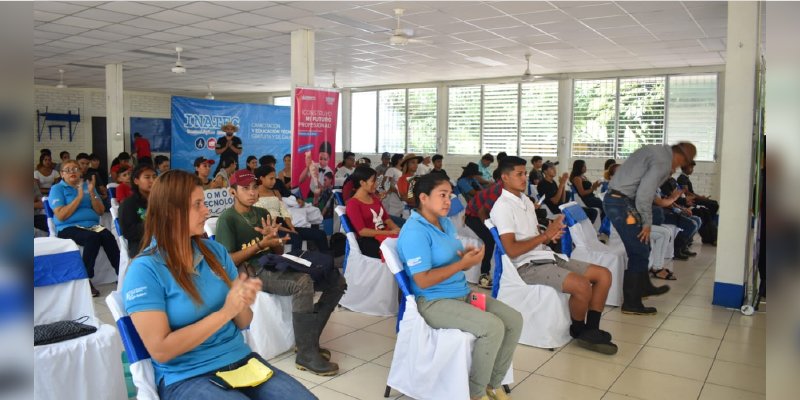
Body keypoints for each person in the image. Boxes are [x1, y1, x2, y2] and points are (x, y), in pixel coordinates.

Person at [121, 170, 315, 400]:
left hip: (240, 361)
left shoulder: (215, 253)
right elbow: (161, 350)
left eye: (204, 202)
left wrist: (241, 300)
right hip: (186, 376)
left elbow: (244, 321)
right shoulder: (144, 271)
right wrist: (225, 312)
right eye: (197, 204)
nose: (207, 210)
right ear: (170, 213)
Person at [398, 173, 522, 400]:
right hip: (434, 301)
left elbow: (451, 261)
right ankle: (476, 393)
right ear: (424, 198)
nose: (449, 201)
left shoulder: (444, 223)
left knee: (514, 320)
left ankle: (493, 385)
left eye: (450, 195)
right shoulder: (415, 231)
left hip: (462, 293)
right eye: (442, 195)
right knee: (493, 327)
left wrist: (465, 259)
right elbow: (422, 280)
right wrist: (462, 265)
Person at [215, 169, 345, 376]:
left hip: (274, 262)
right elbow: (227, 260)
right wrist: (259, 246)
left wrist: (274, 239)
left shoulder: (262, 214)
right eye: (245, 188)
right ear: (232, 192)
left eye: (254, 187)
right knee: (302, 282)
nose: (251, 192)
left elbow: (276, 250)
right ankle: (305, 353)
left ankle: (308, 342)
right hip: (251, 271)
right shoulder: (227, 219)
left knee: (335, 280)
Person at [490, 157, 617, 354]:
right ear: (505, 178)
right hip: (526, 266)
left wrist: (549, 237)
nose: (525, 178)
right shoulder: (503, 206)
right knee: (582, 285)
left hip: (544, 257)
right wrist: (545, 235)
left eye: (525, 173)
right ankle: (578, 329)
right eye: (519, 174)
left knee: (603, 275)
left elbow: (536, 239)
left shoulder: (525, 201)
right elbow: (512, 250)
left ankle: (592, 329)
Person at [602, 142, 696, 315]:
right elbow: (644, 195)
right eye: (683, 163)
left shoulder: (656, 151)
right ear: (681, 156)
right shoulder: (663, 161)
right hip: (621, 205)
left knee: (642, 247)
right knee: (639, 249)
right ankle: (632, 302)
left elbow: (645, 186)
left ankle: (642, 287)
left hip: (621, 202)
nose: (677, 169)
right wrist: (646, 223)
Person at [48, 160, 119, 297]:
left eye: (75, 169)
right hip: (69, 227)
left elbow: (100, 210)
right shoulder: (57, 189)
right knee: (92, 237)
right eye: (68, 170)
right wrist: (79, 197)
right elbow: (61, 215)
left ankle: (121, 274)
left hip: (92, 226)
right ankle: (86, 279)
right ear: (62, 174)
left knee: (106, 235)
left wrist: (92, 193)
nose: (72, 172)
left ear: (80, 172)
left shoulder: (88, 186)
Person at [254, 166, 329, 253]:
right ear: (261, 178)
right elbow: (264, 218)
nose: (274, 181)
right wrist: (288, 230)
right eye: (271, 178)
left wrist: (291, 227)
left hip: (285, 224)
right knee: (296, 238)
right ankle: (293, 264)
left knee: (320, 234)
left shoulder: (276, 192)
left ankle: (326, 261)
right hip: (270, 228)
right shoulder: (255, 194)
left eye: (275, 178)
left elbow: (284, 212)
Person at [345, 166, 401, 259]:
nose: (376, 184)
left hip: (383, 234)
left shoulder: (374, 198)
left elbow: (387, 219)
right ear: (362, 183)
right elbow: (362, 231)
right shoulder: (353, 204)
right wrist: (390, 233)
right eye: (373, 181)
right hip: (369, 241)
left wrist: (398, 231)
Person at [463, 173, 505, 290]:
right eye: (519, 174)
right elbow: (482, 212)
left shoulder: (512, 190)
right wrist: (491, 229)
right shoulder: (499, 190)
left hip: (488, 215)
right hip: (473, 216)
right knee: (490, 239)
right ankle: (484, 275)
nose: (524, 178)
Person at [119, 163, 157, 258]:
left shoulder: (161, 201)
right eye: (147, 177)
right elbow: (128, 232)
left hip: (163, 243)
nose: (152, 180)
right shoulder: (129, 203)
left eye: (154, 176)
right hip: (141, 246)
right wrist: (154, 225)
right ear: (136, 181)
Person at [379, 153, 405, 221]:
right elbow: (385, 183)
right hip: (391, 198)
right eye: (403, 159)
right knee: (391, 218)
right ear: (399, 160)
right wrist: (395, 190)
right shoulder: (392, 170)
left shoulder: (402, 172)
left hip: (400, 199)